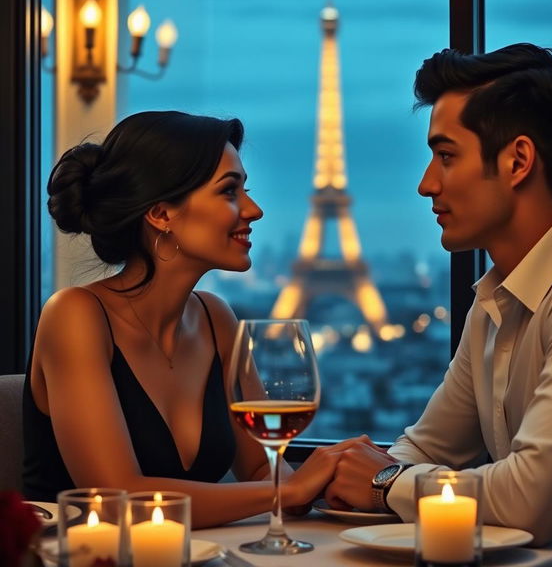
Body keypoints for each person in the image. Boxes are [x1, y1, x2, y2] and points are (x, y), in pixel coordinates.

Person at [323, 44, 552, 566]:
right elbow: (428, 450)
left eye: (446, 156)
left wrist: (384, 481)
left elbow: (531, 499)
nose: (427, 184)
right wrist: (358, 476)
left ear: (518, 161)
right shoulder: (497, 299)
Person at [23, 110, 360, 527]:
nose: (254, 210)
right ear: (162, 214)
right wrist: (287, 490)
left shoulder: (216, 318)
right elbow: (114, 499)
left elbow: (260, 471)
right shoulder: (75, 316)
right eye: (229, 191)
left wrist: (329, 479)